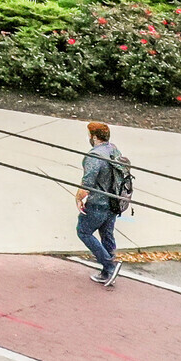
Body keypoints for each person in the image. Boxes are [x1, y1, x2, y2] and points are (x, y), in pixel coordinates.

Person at [75, 120, 125, 285]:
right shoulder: (113, 150)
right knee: (107, 233)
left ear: (94, 136)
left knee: (83, 231)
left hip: (98, 203)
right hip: (114, 202)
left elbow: (87, 183)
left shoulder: (94, 156)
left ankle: (109, 265)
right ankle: (107, 272)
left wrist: (78, 197)